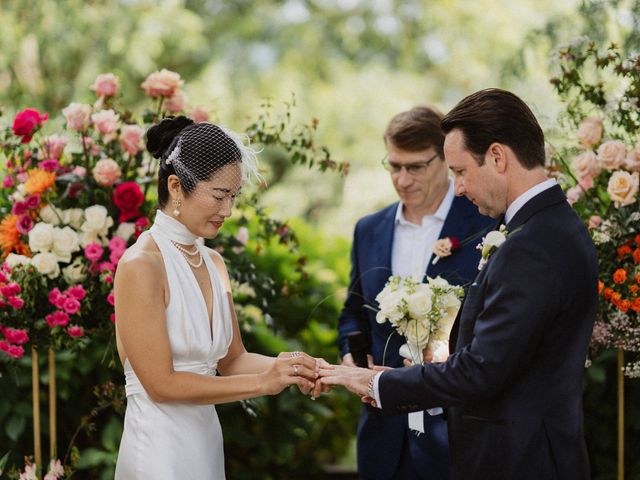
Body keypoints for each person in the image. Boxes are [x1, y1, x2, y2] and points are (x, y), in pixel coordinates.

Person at [322, 88, 598, 480]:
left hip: (521, 460)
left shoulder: (533, 243)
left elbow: (480, 372)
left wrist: (375, 381)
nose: (460, 187)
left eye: (461, 171)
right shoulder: (548, 227)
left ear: (498, 157)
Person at [114, 116, 321, 479]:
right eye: (219, 195)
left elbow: (233, 359)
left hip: (205, 446)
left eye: (234, 197)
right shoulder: (141, 265)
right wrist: (263, 383)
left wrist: (291, 367)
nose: (228, 211)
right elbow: (160, 385)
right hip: (159, 453)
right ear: (176, 187)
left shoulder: (213, 261)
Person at [337, 106, 494, 479]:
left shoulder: (485, 224)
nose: (402, 180)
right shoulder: (368, 229)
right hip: (382, 433)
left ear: (445, 159)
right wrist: (351, 361)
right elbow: (352, 313)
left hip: (455, 433)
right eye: (394, 166)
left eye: (416, 167)